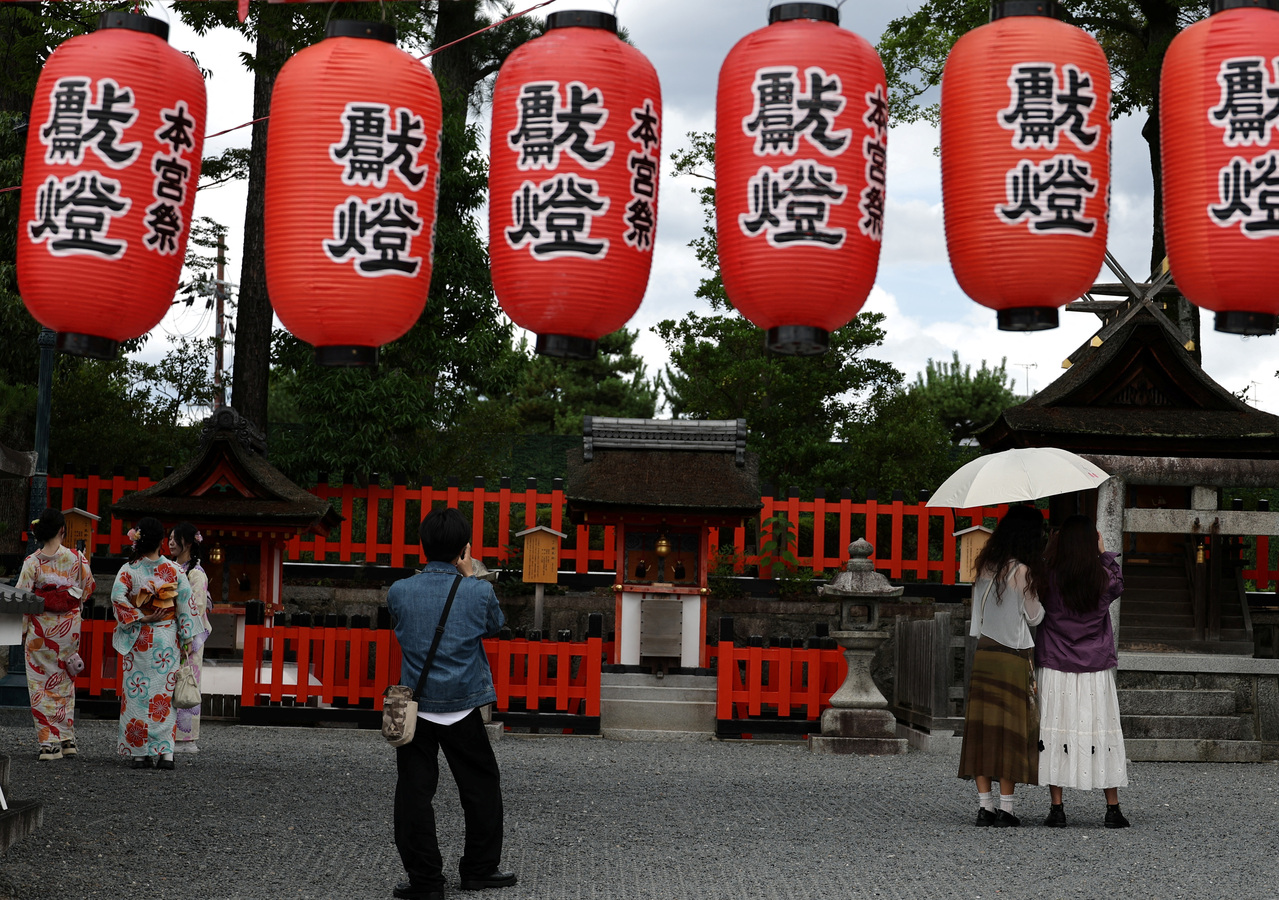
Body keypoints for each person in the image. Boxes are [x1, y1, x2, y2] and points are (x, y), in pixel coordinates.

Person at [387, 508, 515, 900]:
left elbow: (400, 627)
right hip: (462, 703)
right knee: (481, 788)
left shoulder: (400, 591)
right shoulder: (478, 591)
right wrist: (470, 575)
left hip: (418, 706)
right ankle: (479, 868)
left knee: (414, 794)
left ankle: (426, 880)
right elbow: (495, 625)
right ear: (463, 549)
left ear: (423, 546)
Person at [1036, 515, 1130, 828]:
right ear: (1092, 541)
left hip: (1056, 662)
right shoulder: (1102, 577)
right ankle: (1112, 808)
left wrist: (1052, 547)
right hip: (1094, 664)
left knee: (1055, 728)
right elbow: (1118, 585)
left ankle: (1057, 808)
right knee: (1101, 729)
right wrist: (1104, 553)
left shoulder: (1050, 576)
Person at [957, 504, 1047, 827]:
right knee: (1010, 730)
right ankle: (1007, 809)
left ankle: (985, 806)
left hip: (985, 653)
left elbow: (977, 618)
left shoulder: (984, 566)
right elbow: (1035, 617)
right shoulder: (1022, 572)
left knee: (982, 728)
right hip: (1013, 656)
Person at [110, 516, 206, 770]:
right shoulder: (174, 570)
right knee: (163, 696)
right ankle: (166, 753)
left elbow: (117, 598)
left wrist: (141, 616)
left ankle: (139, 754)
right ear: (161, 541)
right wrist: (186, 637)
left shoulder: (128, 570)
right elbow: (185, 605)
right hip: (166, 639)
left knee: (137, 695)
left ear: (138, 540)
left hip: (139, 638)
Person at [16, 508, 95, 761]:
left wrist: (22, 630)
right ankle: (67, 739)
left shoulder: (32, 562)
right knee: (65, 681)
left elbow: (22, 599)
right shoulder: (77, 559)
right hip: (68, 631)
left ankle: (49, 743)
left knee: (40, 684)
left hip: (41, 631)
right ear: (63, 530)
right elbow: (88, 590)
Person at [169, 522, 212, 752]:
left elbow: (197, 607)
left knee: (187, 684)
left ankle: (187, 738)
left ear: (187, 543)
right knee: (170, 684)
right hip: (170, 634)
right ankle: (168, 733)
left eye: (175, 539)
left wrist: (184, 633)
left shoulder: (196, 573)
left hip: (189, 637)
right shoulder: (171, 568)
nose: (170, 543)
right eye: (169, 538)